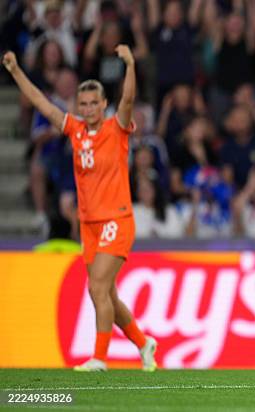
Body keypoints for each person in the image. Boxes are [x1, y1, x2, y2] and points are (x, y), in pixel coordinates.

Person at [2, 46, 157, 372]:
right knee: (109, 298)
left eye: (93, 103)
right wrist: (15, 71)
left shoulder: (117, 129)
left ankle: (100, 359)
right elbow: (42, 103)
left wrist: (129, 64)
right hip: (89, 223)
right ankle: (144, 343)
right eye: (82, 103)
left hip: (116, 218)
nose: (87, 109)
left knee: (96, 287)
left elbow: (127, 100)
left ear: (103, 104)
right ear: (78, 105)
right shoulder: (73, 129)